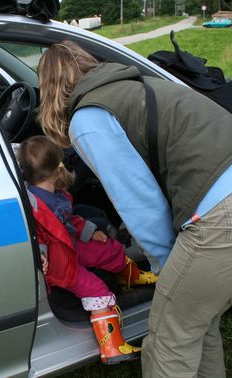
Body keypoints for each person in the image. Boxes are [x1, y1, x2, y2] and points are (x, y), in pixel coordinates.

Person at [36, 40, 232, 377]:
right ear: (91, 65)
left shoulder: (89, 117)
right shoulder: (144, 84)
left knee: (167, 340)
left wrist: (166, 267)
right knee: (196, 322)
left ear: (49, 89)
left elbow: (139, 204)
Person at [18, 135, 157, 365]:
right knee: (97, 290)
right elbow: (37, 235)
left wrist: (90, 232)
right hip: (60, 264)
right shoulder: (34, 206)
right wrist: (41, 255)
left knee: (108, 249)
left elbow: (68, 220)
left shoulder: (55, 194)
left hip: (68, 245)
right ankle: (112, 347)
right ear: (55, 169)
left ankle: (131, 278)